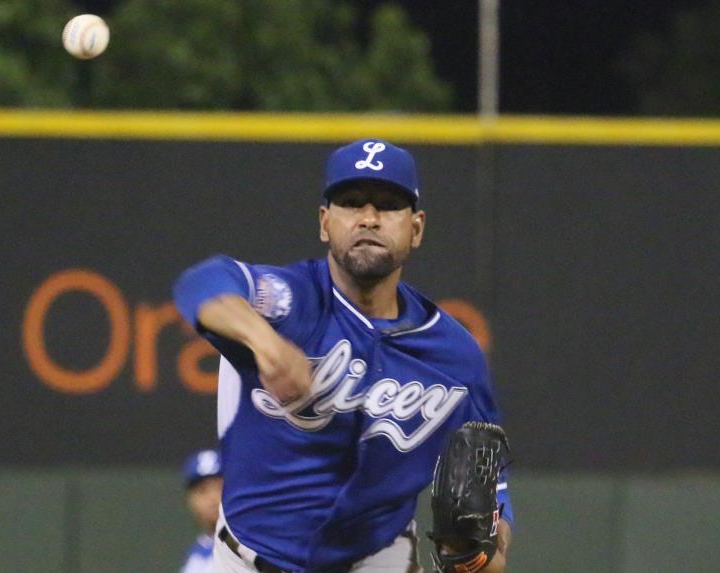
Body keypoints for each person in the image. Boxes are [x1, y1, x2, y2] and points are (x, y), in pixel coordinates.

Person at [173, 139, 513, 573]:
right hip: (246, 562)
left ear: (417, 227)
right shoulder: (290, 302)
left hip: (379, 560)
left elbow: (492, 476)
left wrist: (492, 546)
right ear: (325, 222)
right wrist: (266, 342)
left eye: (388, 205)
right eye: (351, 203)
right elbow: (202, 284)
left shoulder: (455, 354)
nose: (369, 218)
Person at [180, 448, 224, 573]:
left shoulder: (257, 546)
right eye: (202, 490)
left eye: (220, 487)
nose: (213, 498)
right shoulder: (195, 557)